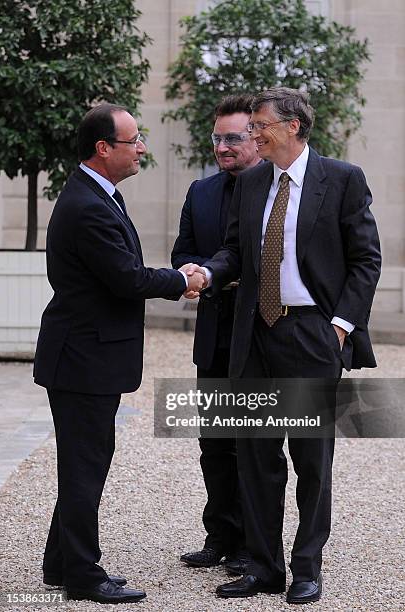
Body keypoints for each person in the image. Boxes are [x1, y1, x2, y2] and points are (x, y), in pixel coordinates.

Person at [194, 87, 381, 604]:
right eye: (251, 126)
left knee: (311, 459)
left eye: (259, 125)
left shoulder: (341, 179)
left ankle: (306, 567)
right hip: (254, 336)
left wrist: (339, 327)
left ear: (293, 126)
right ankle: (262, 566)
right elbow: (234, 251)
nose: (252, 134)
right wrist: (207, 273)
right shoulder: (251, 182)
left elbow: (366, 259)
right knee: (255, 458)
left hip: (310, 335)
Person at [33, 103, 206, 605]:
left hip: (85, 354)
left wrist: (177, 279)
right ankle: (84, 576)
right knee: (85, 467)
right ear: (103, 148)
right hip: (84, 358)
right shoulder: (89, 205)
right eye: (134, 141)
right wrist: (182, 280)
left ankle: (62, 563)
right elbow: (126, 278)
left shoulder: (97, 194)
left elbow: (120, 269)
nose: (142, 149)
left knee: (83, 464)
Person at [171, 95, 261, 574]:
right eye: (217, 138)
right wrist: (189, 269)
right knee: (214, 443)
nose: (222, 147)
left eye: (233, 138)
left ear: (258, 139)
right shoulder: (199, 193)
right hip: (213, 334)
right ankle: (220, 535)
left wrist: (219, 274)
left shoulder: (274, 190)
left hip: (260, 336)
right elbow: (182, 251)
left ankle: (253, 542)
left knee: (254, 443)